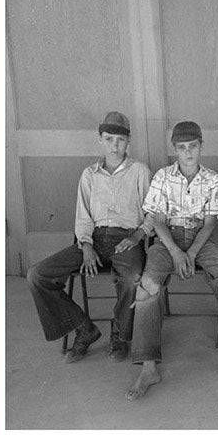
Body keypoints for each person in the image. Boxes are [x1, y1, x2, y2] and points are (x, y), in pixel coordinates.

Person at [127, 120, 218, 399]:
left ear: (201, 146)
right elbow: (157, 220)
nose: (187, 153)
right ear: (174, 149)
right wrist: (176, 252)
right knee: (147, 288)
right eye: (181, 148)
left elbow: (210, 224)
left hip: (199, 238)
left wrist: (190, 252)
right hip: (167, 241)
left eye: (193, 146)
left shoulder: (211, 178)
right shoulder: (163, 176)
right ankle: (149, 367)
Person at [27, 110, 150, 362]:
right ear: (100, 140)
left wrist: (137, 236)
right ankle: (83, 328)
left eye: (120, 140)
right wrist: (86, 245)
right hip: (93, 240)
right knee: (37, 275)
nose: (114, 146)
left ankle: (120, 334)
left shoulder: (140, 171)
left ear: (129, 141)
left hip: (127, 239)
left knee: (132, 278)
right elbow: (82, 217)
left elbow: (153, 214)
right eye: (108, 139)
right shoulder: (89, 175)